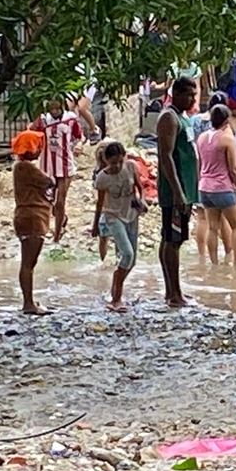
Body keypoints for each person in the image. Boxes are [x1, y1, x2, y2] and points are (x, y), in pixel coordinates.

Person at [157, 76, 200, 307]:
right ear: (177, 94)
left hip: (186, 188)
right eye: (190, 95)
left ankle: (172, 291)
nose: (193, 99)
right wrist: (177, 192)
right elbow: (166, 155)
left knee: (174, 239)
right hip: (176, 190)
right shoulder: (169, 117)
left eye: (194, 95)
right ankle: (174, 293)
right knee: (172, 239)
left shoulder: (184, 118)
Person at [92, 142, 146, 312]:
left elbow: (140, 187)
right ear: (106, 160)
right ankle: (116, 298)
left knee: (132, 260)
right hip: (113, 216)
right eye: (113, 163)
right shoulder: (102, 178)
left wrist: (142, 200)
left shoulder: (130, 166)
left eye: (119, 162)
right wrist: (95, 225)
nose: (117, 166)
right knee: (127, 253)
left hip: (131, 214)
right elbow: (100, 203)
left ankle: (115, 286)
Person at [196, 104, 236, 266]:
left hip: (205, 187)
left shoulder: (202, 137)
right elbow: (234, 169)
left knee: (212, 227)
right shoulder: (227, 139)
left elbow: (200, 163)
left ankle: (214, 264)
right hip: (222, 187)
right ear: (226, 120)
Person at [11, 130, 53, 316]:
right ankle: (28, 303)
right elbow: (48, 182)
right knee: (28, 263)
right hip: (33, 217)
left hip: (28, 216)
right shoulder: (26, 168)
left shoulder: (20, 167)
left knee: (28, 262)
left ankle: (29, 300)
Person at [30, 98, 83, 243]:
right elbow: (31, 133)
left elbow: (79, 136)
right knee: (49, 202)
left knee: (60, 202)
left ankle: (57, 236)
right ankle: (62, 219)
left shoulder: (70, 119)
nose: (54, 112)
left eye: (57, 109)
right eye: (52, 109)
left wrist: (79, 145)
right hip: (47, 167)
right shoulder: (42, 121)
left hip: (66, 165)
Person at [92, 143, 112, 262]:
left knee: (103, 238)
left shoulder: (99, 174)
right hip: (112, 210)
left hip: (106, 210)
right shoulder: (101, 175)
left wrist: (95, 224)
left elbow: (99, 201)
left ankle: (103, 261)